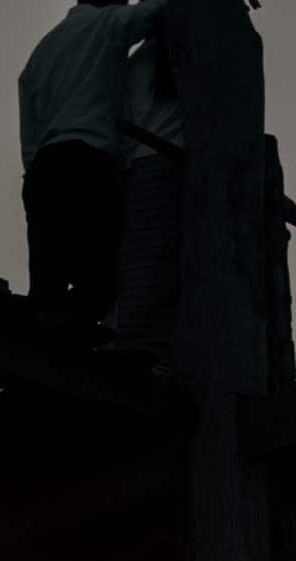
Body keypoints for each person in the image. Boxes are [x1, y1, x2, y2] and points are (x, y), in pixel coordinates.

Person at [18, 0, 168, 330]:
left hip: (43, 171)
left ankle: (46, 343)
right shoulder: (107, 25)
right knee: (101, 285)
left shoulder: (41, 53)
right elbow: (156, 10)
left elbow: (28, 135)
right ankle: (66, 348)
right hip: (89, 165)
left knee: (46, 288)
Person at [115, 14, 183, 354]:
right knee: (162, 261)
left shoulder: (138, 59)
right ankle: (151, 348)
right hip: (170, 160)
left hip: (137, 163)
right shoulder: (192, 47)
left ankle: (136, 340)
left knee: (141, 259)